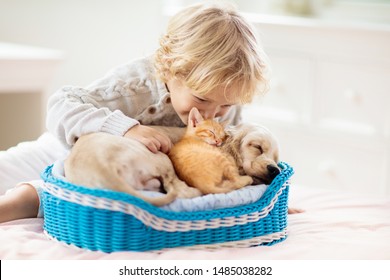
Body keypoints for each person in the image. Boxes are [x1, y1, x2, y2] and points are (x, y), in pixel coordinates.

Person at [0, 2, 268, 223]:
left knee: (107, 198)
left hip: (121, 173)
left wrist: (259, 200)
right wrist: (125, 129)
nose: (213, 114)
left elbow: (230, 154)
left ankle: (32, 198)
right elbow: (61, 105)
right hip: (63, 148)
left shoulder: (224, 106)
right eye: (201, 98)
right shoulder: (134, 86)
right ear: (169, 68)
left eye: (227, 105)